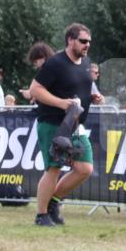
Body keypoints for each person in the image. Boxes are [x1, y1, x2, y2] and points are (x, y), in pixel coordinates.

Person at [28, 23, 103, 227]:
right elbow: (35, 89)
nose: (87, 45)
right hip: (53, 123)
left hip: (77, 125)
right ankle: (41, 214)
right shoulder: (55, 63)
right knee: (53, 168)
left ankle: (53, 202)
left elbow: (80, 87)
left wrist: (93, 96)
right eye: (83, 41)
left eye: (89, 42)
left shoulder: (86, 63)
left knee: (85, 168)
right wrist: (61, 103)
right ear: (70, 40)